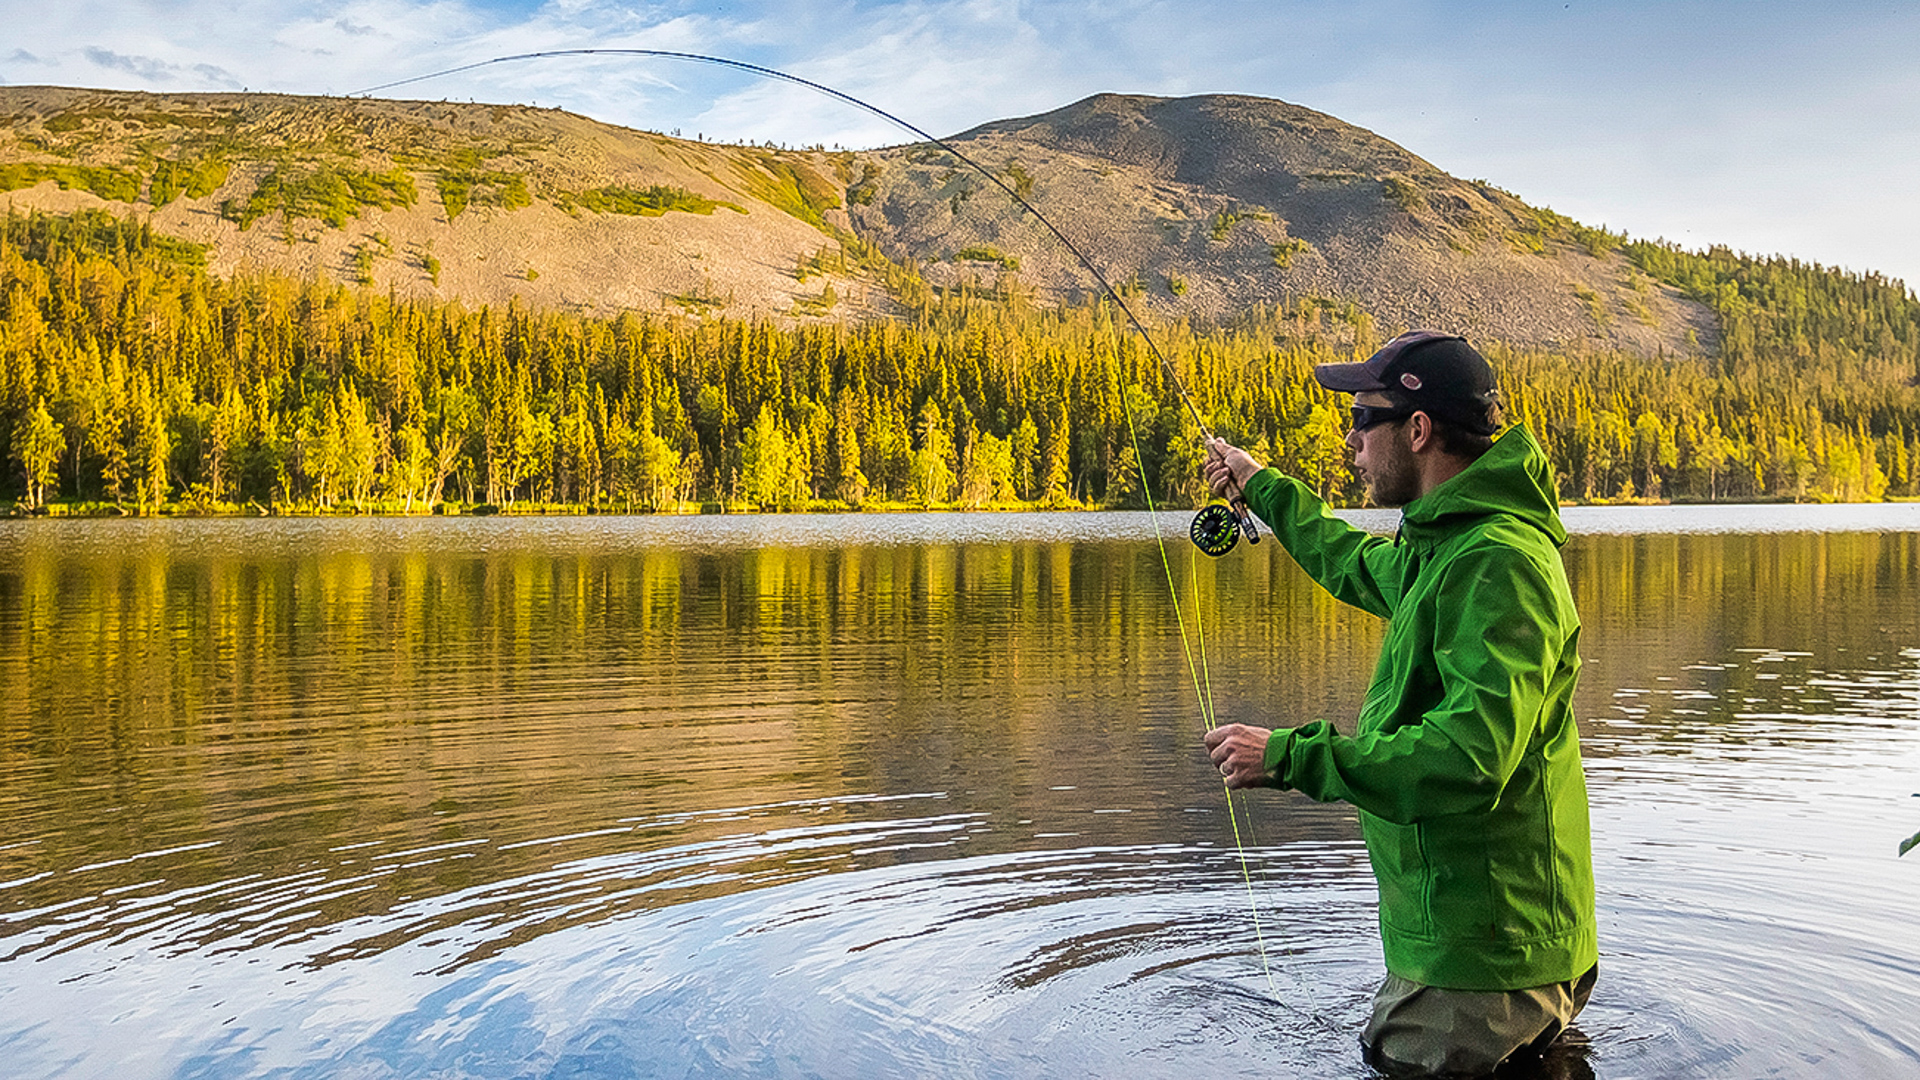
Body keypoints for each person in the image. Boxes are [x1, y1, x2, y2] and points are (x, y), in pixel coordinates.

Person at [1201, 330, 1597, 1078]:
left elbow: (1469, 757)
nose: (1349, 440)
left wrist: (1290, 755)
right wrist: (1262, 486)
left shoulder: (1499, 560)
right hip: (1477, 938)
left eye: (1361, 418)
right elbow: (1352, 560)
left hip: (1484, 953)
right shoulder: (1444, 547)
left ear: (1417, 430)